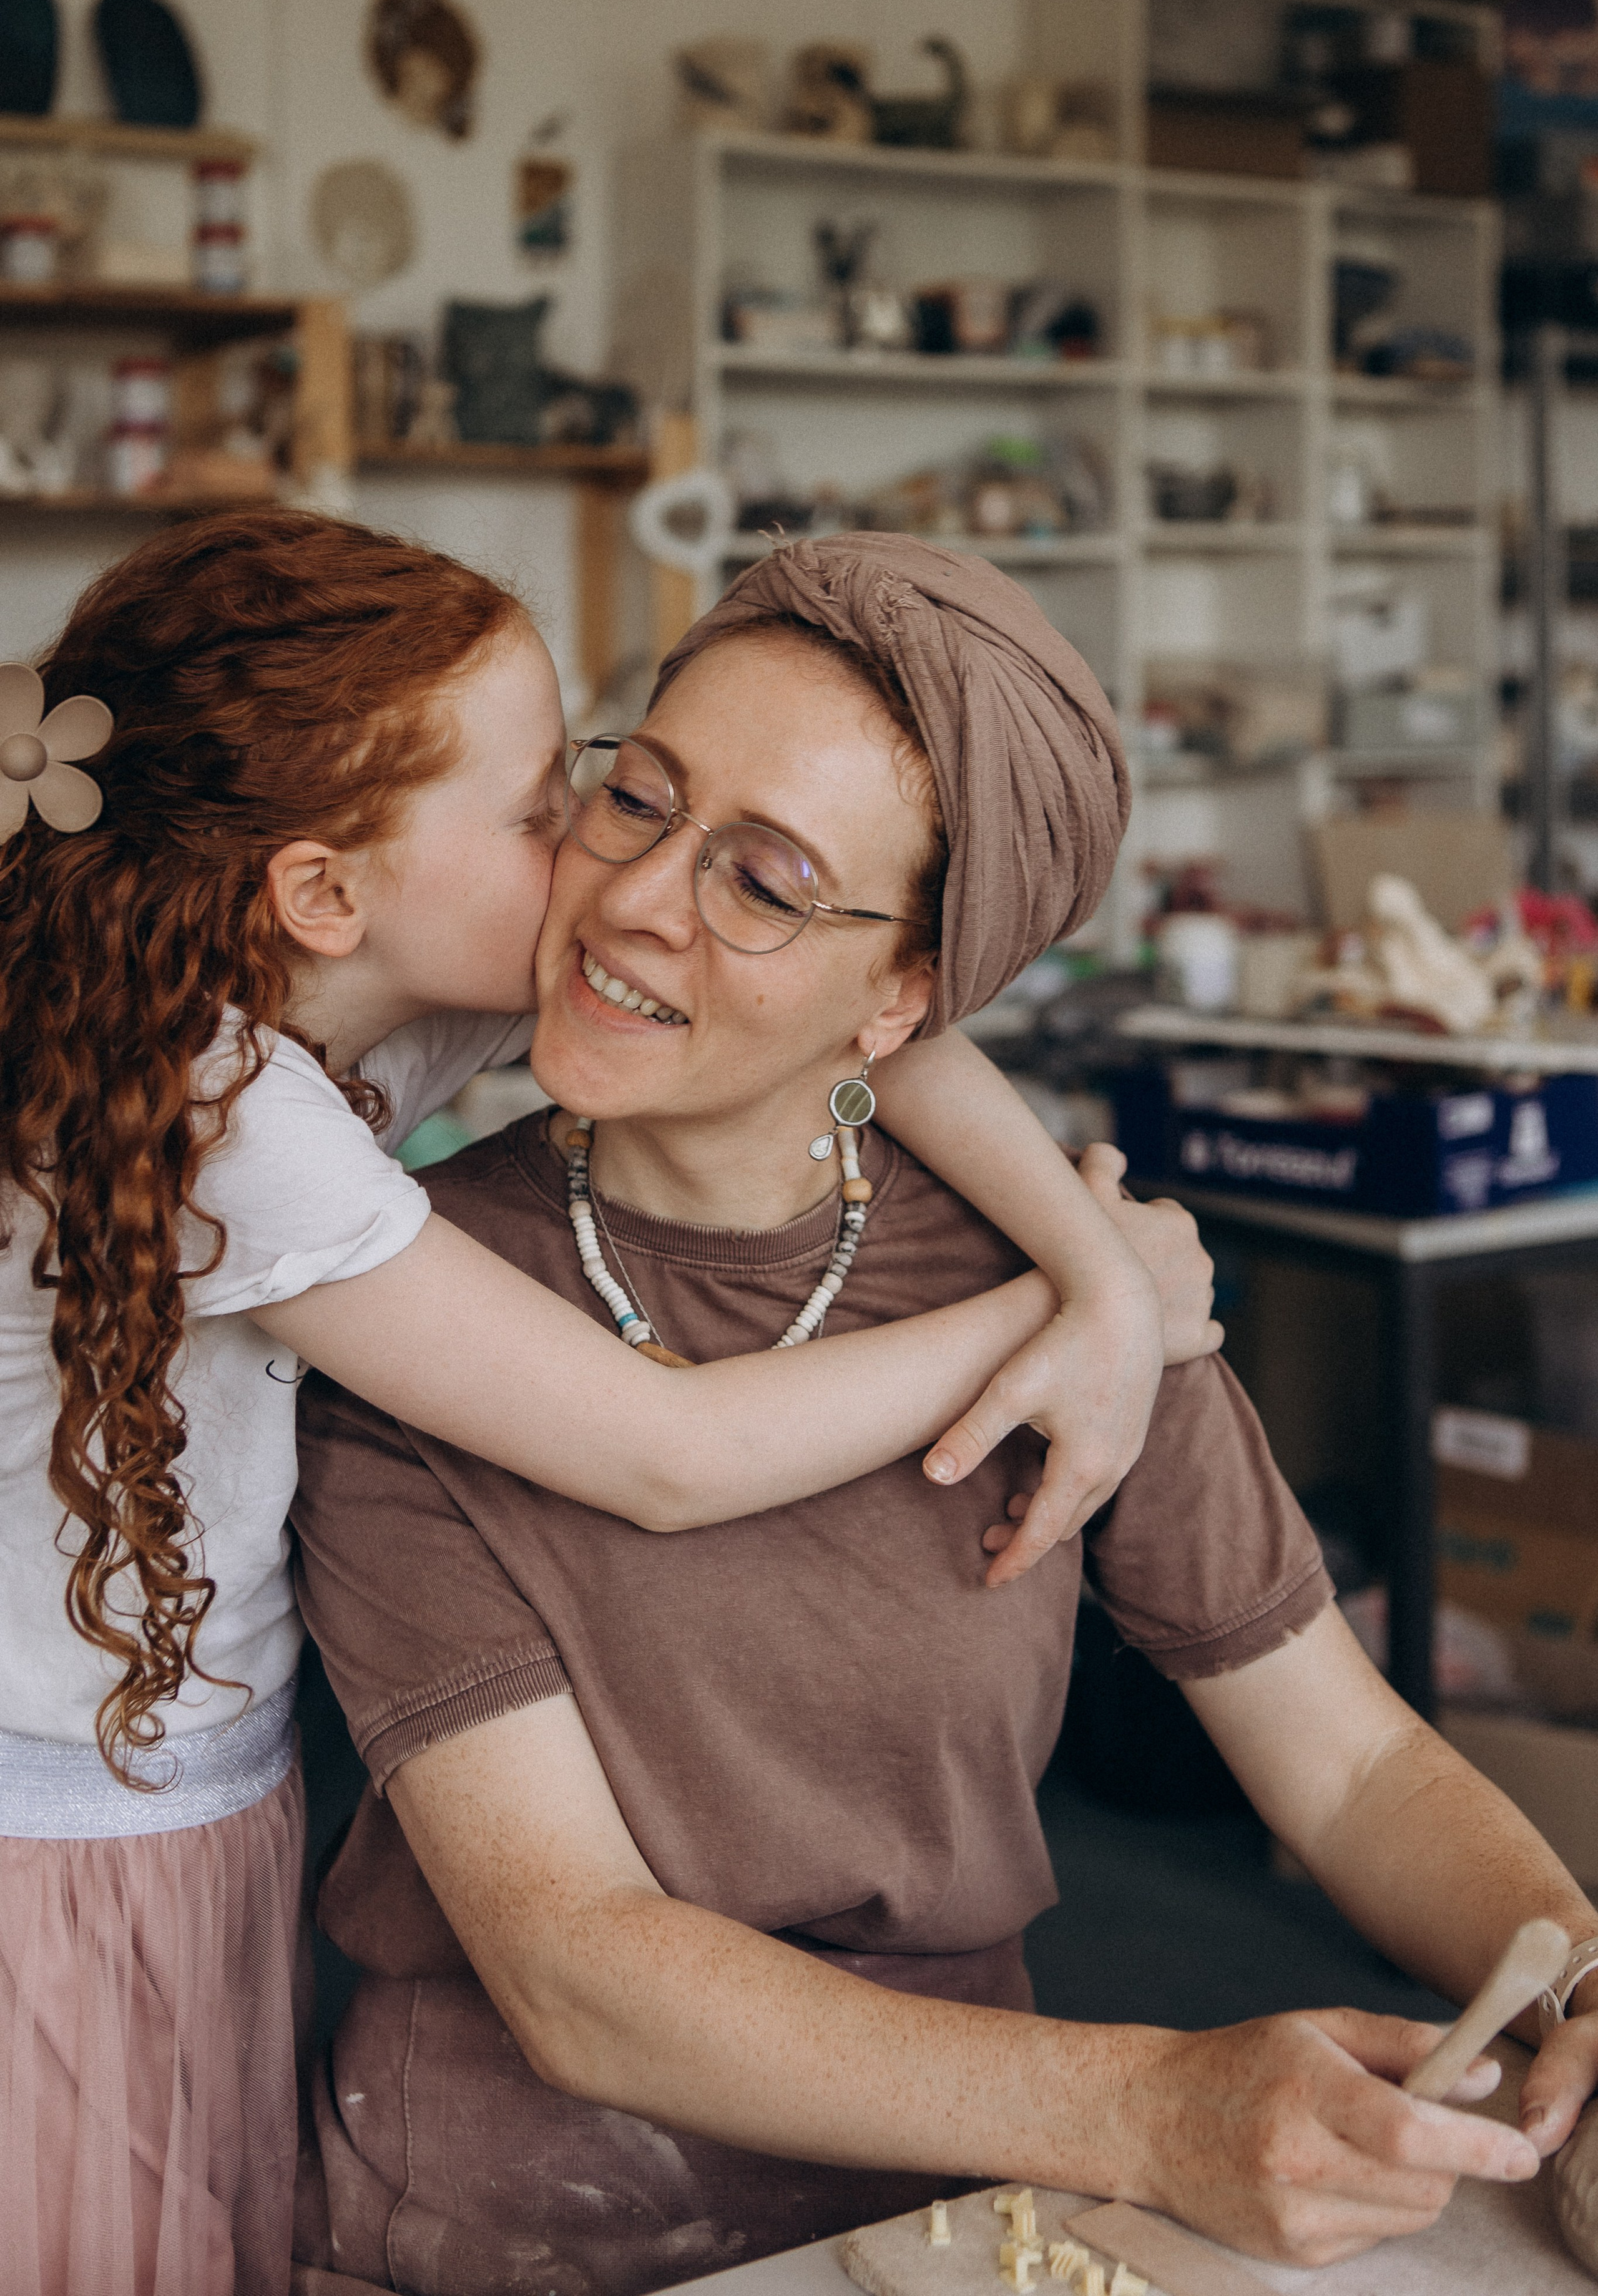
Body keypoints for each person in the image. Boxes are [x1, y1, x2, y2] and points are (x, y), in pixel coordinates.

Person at [291, 534, 1598, 2296]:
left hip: (968, 2213)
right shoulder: (416, 1302)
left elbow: (1352, 1766)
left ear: (904, 999)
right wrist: (1150, 2108)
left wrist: (1583, 1979)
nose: (640, 900)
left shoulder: (1088, 1314)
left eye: (767, 881)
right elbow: (578, 1961)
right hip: (517, 2219)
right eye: (639, 801)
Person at [0, 512, 1212, 2296]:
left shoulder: (333, 993)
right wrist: (1029, 1314)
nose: (594, 854)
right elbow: (667, 1449)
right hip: (67, 1838)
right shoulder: (218, 1109)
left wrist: (1094, 1270)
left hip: (190, 1792)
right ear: (327, 887)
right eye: (547, 806)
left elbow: (865, 1016)